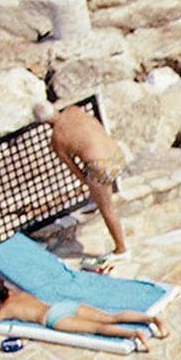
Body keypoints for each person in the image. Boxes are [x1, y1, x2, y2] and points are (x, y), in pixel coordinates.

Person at [35, 100, 127, 258]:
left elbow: (74, 170)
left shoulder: (57, 138)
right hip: (116, 153)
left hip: (101, 166)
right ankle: (95, 199)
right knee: (96, 185)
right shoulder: (74, 110)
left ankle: (121, 249)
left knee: (107, 210)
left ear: (43, 123)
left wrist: (87, 183)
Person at [0, 275, 167, 348]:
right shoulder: (20, 293)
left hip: (53, 318)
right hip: (62, 305)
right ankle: (151, 318)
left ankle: (134, 333)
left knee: (98, 328)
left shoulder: (6, 309)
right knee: (110, 317)